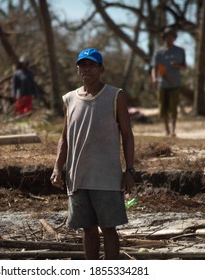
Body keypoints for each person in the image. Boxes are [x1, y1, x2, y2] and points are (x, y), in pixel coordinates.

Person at [50, 48, 135, 260]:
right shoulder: (69, 99)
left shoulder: (115, 96)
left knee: (108, 229)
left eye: (92, 64)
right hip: (78, 177)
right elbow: (65, 137)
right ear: (78, 69)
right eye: (83, 64)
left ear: (101, 69)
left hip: (107, 178)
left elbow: (127, 135)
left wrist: (130, 170)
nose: (86, 68)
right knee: (88, 229)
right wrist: (57, 168)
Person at [151, 27, 187, 137]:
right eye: (167, 36)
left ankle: (173, 130)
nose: (169, 38)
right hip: (162, 84)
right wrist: (154, 78)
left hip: (175, 84)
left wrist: (178, 66)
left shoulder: (180, 51)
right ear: (164, 38)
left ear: (174, 37)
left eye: (171, 36)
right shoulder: (159, 52)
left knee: (173, 108)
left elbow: (185, 68)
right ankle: (166, 130)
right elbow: (154, 67)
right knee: (163, 108)